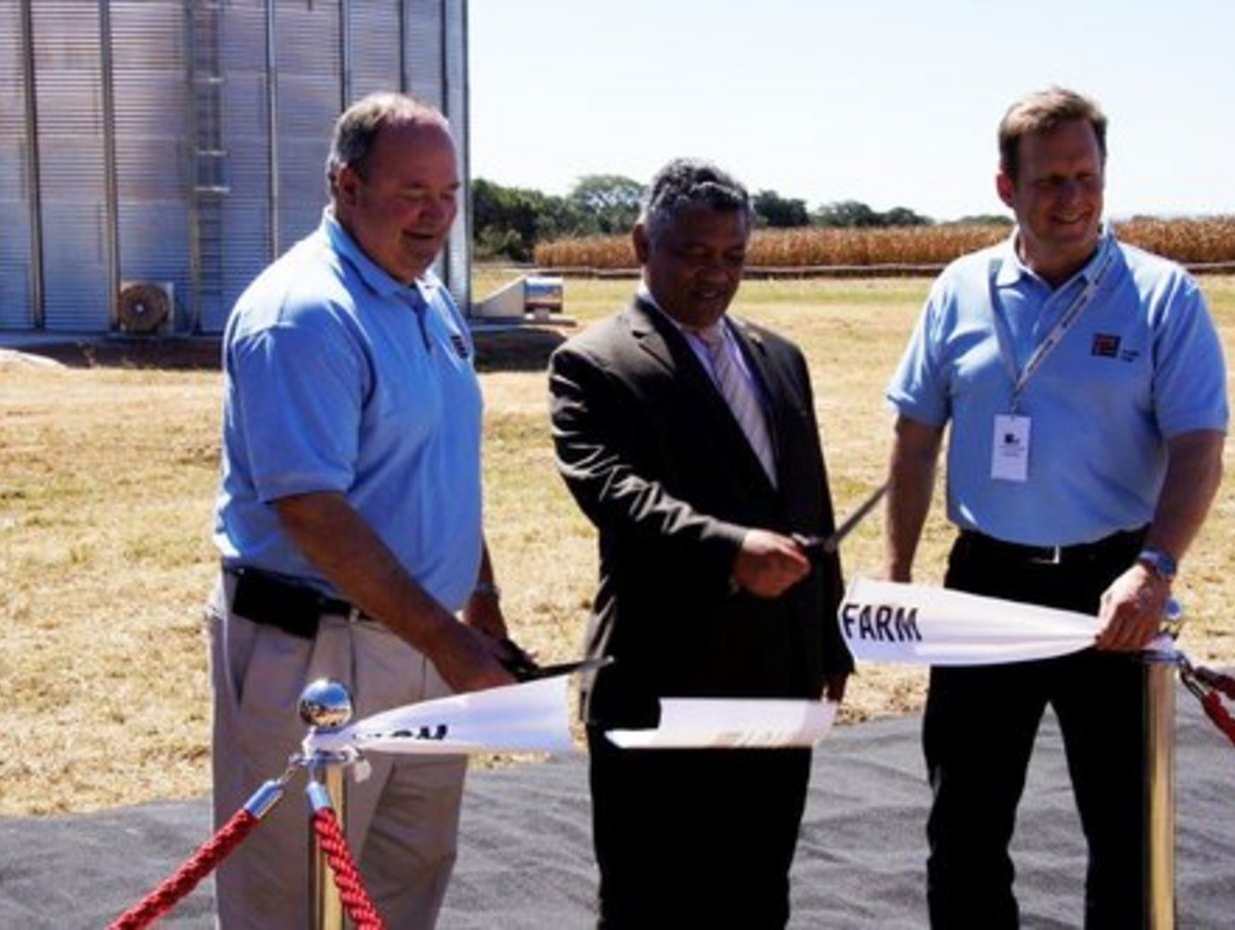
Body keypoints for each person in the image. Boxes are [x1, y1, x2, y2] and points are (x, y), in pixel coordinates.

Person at [883, 87, 1228, 928]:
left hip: (1113, 590)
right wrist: (897, 579)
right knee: (964, 821)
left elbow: (1198, 451)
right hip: (984, 587)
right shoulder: (960, 290)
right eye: (1050, 182)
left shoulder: (1163, 297)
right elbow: (916, 434)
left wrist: (1154, 569)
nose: (1072, 200)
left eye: (1087, 177)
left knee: (1124, 829)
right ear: (1007, 187)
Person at [207, 92, 517, 930]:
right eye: (414, 192)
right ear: (346, 183)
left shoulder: (429, 300)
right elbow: (313, 510)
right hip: (317, 656)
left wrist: (479, 602)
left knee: (403, 890)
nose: (437, 215)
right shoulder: (304, 313)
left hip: (422, 643)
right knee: (298, 900)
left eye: (450, 193)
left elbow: (439, 468)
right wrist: (449, 638)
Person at [548, 158, 851, 929]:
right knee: (652, 902)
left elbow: (807, 503)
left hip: (777, 683)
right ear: (643, 242)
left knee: (756, 895)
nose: (715, 274)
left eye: (733, 256)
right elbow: (613, 491)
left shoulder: (781, 358)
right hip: (660, 680)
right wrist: (728, 549)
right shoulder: (593, 361)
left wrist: (829, 636)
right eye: (694, 253)